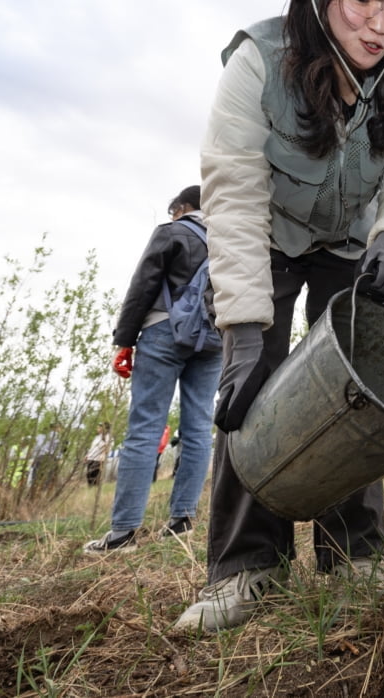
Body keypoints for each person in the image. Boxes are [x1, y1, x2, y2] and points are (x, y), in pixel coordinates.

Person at [173, 0, 384, 632]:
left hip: (349, 244)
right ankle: (246, 569)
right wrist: (241, 329)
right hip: (263, 234)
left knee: (356, 387)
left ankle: (352, 557)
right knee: (255, 389)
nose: (379, 24)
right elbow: (231, 196)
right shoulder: (257, 64)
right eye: (361, 0)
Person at [84, 186, 223, 554]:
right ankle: (182, 521)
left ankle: (123, 533)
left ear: (182, 208)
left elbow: (143, 285)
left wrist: (125, 339)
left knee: (145, 428)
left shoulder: (171, 231)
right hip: (214, 341)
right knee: (197, 429)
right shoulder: (232, 237)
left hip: (164, 333)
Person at [29, 421, 62, 492]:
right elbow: (57, 448)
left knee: (36, 478)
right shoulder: (56, 436)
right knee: (48, 478)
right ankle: (43, 493)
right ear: (56, 427)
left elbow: (35, 448)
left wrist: (33, 458)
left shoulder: (39, 436)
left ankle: (33, 492)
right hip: (50, 458)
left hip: (39, 458)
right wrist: (59, 458)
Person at [85, 421, 112, 486]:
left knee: (95, 476)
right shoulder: (97, 437)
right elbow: (92, 447)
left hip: (98, 459)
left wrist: (103, 455)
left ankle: (94, 490)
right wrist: (87, 455)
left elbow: (107, 447)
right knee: (89, 475)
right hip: (91, 457)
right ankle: (90, 489)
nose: (98, 428)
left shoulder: (108, 437)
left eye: (99, 427)